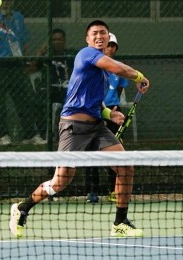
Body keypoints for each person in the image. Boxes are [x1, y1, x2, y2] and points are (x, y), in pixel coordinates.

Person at [9, 20, 150, 238]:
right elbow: (119, 68)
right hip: (73, 127)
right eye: (94, 33)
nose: (99, 36)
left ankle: (120, 222)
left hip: (96, 127)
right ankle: (22, 208)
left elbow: (94, 103)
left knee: (125, 166)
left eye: (103, 33)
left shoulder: (102, 74)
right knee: (61, 181)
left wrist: (109, 114)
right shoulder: (86, 54)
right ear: (88, 39)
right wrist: (138, 77)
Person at [0, 0, 44, 145]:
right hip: (0, 64)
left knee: (22, 101)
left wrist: (25, 62)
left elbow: (24, 42)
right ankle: (3, 136)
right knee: (0, 102)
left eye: (8, 1)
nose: (5, 4)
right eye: (2, 1)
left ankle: (29, 135)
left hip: (17, 64)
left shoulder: (18, 18)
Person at [84, 32, 129, 203]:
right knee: (91, 151)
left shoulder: (119, 68)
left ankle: (113, 189)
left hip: (112, 113)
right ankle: (92, 191)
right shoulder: (92, 66)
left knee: (115, 153)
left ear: (115, 49)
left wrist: (113, 108)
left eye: (112, 46)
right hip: (94, 112)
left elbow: (118, 90)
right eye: (107, 45)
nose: (109, 48)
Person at [29, 28, 77, 143]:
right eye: (54, 40)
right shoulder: (46, 56)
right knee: (38, 102)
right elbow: (31, 68)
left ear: (64, 41)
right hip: (49, 89)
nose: (57, 42)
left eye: (60, 39)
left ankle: (69, 135)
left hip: (67, 89)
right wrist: (41, 51)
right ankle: (45, 135)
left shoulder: (71, 54)